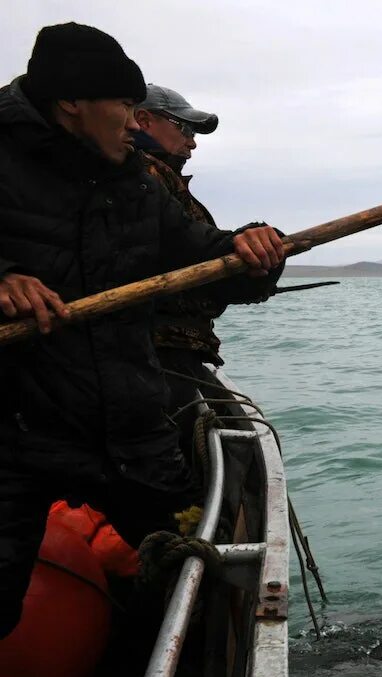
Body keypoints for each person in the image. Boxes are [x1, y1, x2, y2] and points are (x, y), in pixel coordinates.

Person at [0, 22, 286, 640]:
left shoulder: (134, 179)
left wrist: (253, 249)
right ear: (71, 103)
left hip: (129, 427)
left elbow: (203, 263)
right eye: (125, 107)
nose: (135, 124)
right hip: (13, 432)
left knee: (196, 569)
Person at [133, 83, 262, 439]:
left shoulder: (159, 176)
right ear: (143, 120)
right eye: (185, 129)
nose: (192, 142)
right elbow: (191, 249)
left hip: (161, 352)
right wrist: (250, 252)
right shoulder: (143, 175)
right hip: (153, 354)